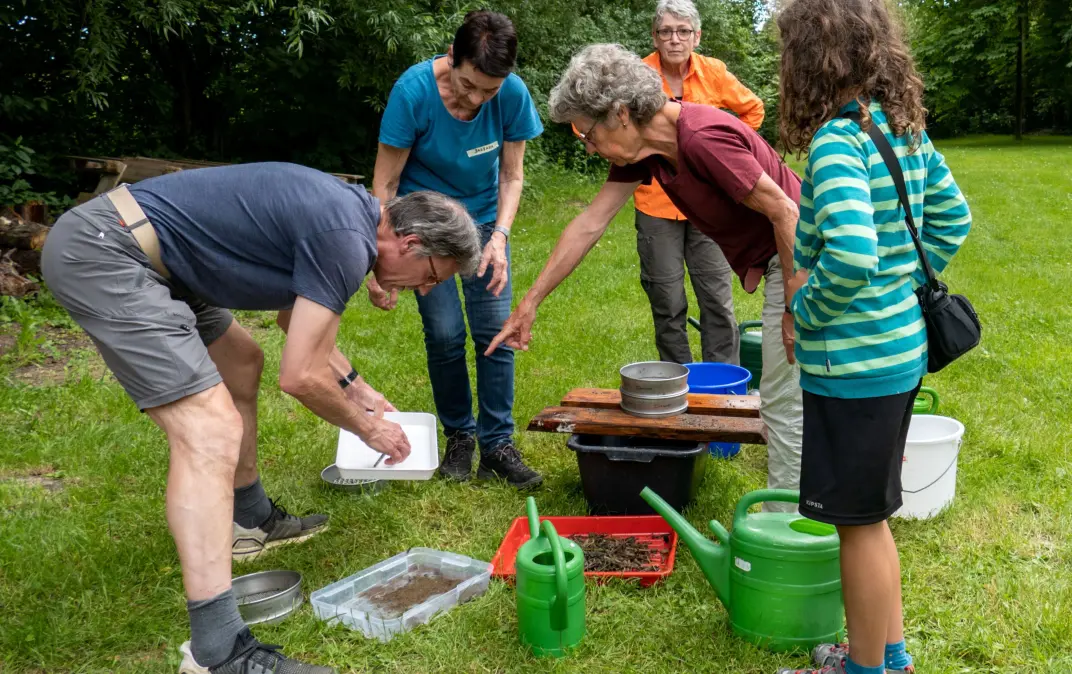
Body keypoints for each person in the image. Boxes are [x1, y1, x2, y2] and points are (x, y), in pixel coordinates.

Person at [40, 163, 480, 674]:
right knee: (209, 431)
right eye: (432, 276)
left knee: (241, 362)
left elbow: (293, 320)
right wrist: (368, 428)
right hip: (109, 251)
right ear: (410, 242)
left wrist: (356, 387)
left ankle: (250, 519)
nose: (425, 289)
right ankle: (218, 652)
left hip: (170, 264)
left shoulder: (351, 220)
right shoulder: (346, 239)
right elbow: (300, 375)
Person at [486, 43, 804, 513]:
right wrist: (530, 302)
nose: (588, 146)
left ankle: (790, 525)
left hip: (802, 255)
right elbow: (589, 223)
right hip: (786, 254)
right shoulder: (648, 152)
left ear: (621, 113)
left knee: (784, 400)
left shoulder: (703, 138)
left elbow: (787, 211)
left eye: (588, 133)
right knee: (795, 393)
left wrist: (795, 307)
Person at [773, 1, 973, 673]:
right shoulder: (899, 127)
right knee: (871, 518)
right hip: (899, 353)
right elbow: (953, 219)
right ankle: (891, 657)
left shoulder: (838, 142)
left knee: (855, 526)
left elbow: (854, 255)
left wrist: (806, 311)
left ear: (810, 57)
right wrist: (903, 285)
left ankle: (862, 669)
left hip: (853, 368)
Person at [368, 10, 544, 488]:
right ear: (451, 57)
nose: (477, 99)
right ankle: (460, 437)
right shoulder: (413, 93)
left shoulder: (511, 94)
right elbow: (386, 183)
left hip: (485, 222)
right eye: (468, 85)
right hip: (425, 230)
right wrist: (378, 262)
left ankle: (498, 445)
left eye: (489, 91)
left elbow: (512, 175)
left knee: (495, 332)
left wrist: (500, 237)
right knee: (445, 334)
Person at [633, 0, 764, 365]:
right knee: (667, 300)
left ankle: (722, 383)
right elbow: (590, 122)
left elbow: (753, 109)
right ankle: (677, 381)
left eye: (683, 31)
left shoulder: (714, 72)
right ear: (655, 37)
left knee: (717, 299)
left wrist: (727, 156)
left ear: (697, 37)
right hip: (656, 204)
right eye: (666, 31)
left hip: (710, 205)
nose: (674, 39)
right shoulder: (637, 75)